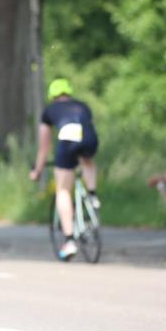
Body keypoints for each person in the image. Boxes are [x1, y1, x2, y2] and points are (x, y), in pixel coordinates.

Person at [29, 78, 100, 261]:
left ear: (53, 96)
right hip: (90, 138)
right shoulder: (83, 105)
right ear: (68, 92)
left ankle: (69, 240)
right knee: (86, 160)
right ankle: (92, 195)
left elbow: (44, 147)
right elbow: (88, 128)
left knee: (62, 190)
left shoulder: (49, 110)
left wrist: (37, 170)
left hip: (68, 140)